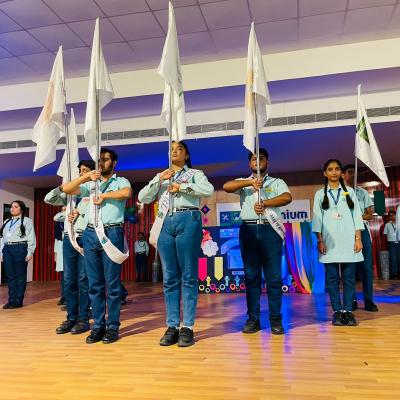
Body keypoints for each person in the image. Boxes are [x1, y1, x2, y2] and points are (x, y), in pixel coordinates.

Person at [139, 141, 214, 347]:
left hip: (188, 218)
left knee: (188, 275)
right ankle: (172, 326)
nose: (174, 151)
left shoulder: (195, 174)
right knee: (170, 277)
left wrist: (181, 187)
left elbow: (208, 190)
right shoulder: (162, 175)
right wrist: (159, 180)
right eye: (171, 149)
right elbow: (143, 197)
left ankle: (187, 326)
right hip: (165, 222)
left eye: (179, 149)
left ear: (187, 155)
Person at [62, 148, 132, 344]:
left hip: (112, 232)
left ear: (114, 163)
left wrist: (105, 196)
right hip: (91, 233)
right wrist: (86, 177)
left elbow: (126, 193)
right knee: (94, 284)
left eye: (105, 160)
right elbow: (67, 189)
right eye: (99, 160)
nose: (101, 163)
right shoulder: (91, 183)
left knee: (113, 285)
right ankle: (98, 326)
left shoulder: (121, 181)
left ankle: (113, 326)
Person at [223, 148, 291, 335]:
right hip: (249, 230)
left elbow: (287, 197)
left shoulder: (277, 182)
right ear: (249, 163)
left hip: (270, 230)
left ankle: (276, 320)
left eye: (261, 158)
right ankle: (253, 320)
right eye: (254, 159)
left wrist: (266, 203)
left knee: (274, 278)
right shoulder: (244, 183)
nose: (257, 161)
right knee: (251, 277)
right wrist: (250, 183)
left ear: (267, 162)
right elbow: (227, 186)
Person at [45, 160, 95, 334]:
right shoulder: (71, 193)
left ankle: (83, 319)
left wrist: (80, 211)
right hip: (69, 238)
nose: (82, 173)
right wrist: (62, 187)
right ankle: (71, 317)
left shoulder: (96, 190)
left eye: (86, 170)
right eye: (80, 171)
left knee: (83, 280)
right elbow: (48, 198)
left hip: (86, 237)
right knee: (68, 280)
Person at [312, 159, 364, 326]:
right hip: (329, 243)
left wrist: (358, 239)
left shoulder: (350, 192)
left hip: (349, 241)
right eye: (330, 169)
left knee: (349, 278)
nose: (334, 172)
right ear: (325, 173)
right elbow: (317, 220)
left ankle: (348, 311)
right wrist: (320, 240)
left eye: (337, 169)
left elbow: (357, 216)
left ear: (341, 172)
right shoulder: (320, 194)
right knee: (332, 279)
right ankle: (336, 311)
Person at [342, 164, 378, 312]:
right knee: (349, 269)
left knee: (366, 268)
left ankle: (369, 301)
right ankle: (352, 301)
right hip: (345, 232)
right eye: (350, 172)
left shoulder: (362, 192)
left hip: (362, 231)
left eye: (355, 172)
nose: (353, 175)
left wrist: (356, 216)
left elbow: (369, 215)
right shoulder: (340, 193)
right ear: (343, 175)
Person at [0, 200, 36, 309]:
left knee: (20, 276)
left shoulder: (27, 221)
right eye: (11, 207)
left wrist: (30, 251)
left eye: (16, 207)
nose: (12, 208)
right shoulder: (6, 221)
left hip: (20, 248)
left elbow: (31, 236)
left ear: (21, 209)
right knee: (10, 276)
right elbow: (2, 238)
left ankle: (18, 301)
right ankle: (11, 300)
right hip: (7, 249)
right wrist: (1, 252)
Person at [54, 207, 66, 307]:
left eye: (66, 209)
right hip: (60, 250)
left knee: (70, 276)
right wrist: (56, 254)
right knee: (63, 277)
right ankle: (63, 297)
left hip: (70, 247)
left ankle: (70, 298)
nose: (64, 211)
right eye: (62, 209)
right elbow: (56, 240)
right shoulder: (58, 224)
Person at [383, 210, 400, 279]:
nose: (392, 216)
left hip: (399, 242)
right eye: (390, 216)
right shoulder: (387, 224)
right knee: (393, 259)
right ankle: (394, 275)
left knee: (399, 258)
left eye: (393, 215)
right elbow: (385, 234)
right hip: (391, 243)